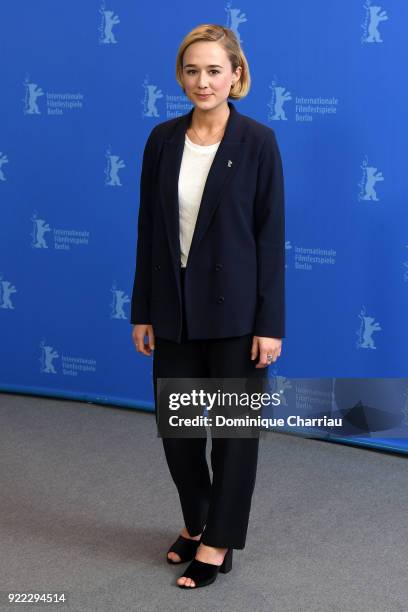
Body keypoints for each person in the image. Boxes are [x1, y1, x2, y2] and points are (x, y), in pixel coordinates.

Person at [130, 24, 285, 589]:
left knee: (233, 436)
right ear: (180, 75)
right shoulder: (162, 139)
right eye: (192, 70)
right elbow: (149, 231)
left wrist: (270, 324)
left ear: (236, 75)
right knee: (180, 433)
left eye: (215, 70)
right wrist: (142, 309)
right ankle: (196, 522)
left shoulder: (259, 142)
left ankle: (218, 541)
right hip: (173, 312)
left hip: (238, 317)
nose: (203, 81)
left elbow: (270, 239)